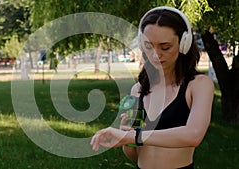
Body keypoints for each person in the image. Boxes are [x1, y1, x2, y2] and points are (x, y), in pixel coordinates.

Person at [90, 6, 214, 169]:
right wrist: (127, 139)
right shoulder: (138, 90)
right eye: (149, 47)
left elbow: (193, 135)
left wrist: (136, 136)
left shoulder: (199, 85)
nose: (156, 55)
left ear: (184, 43)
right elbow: (134, 155)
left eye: (165, 47)